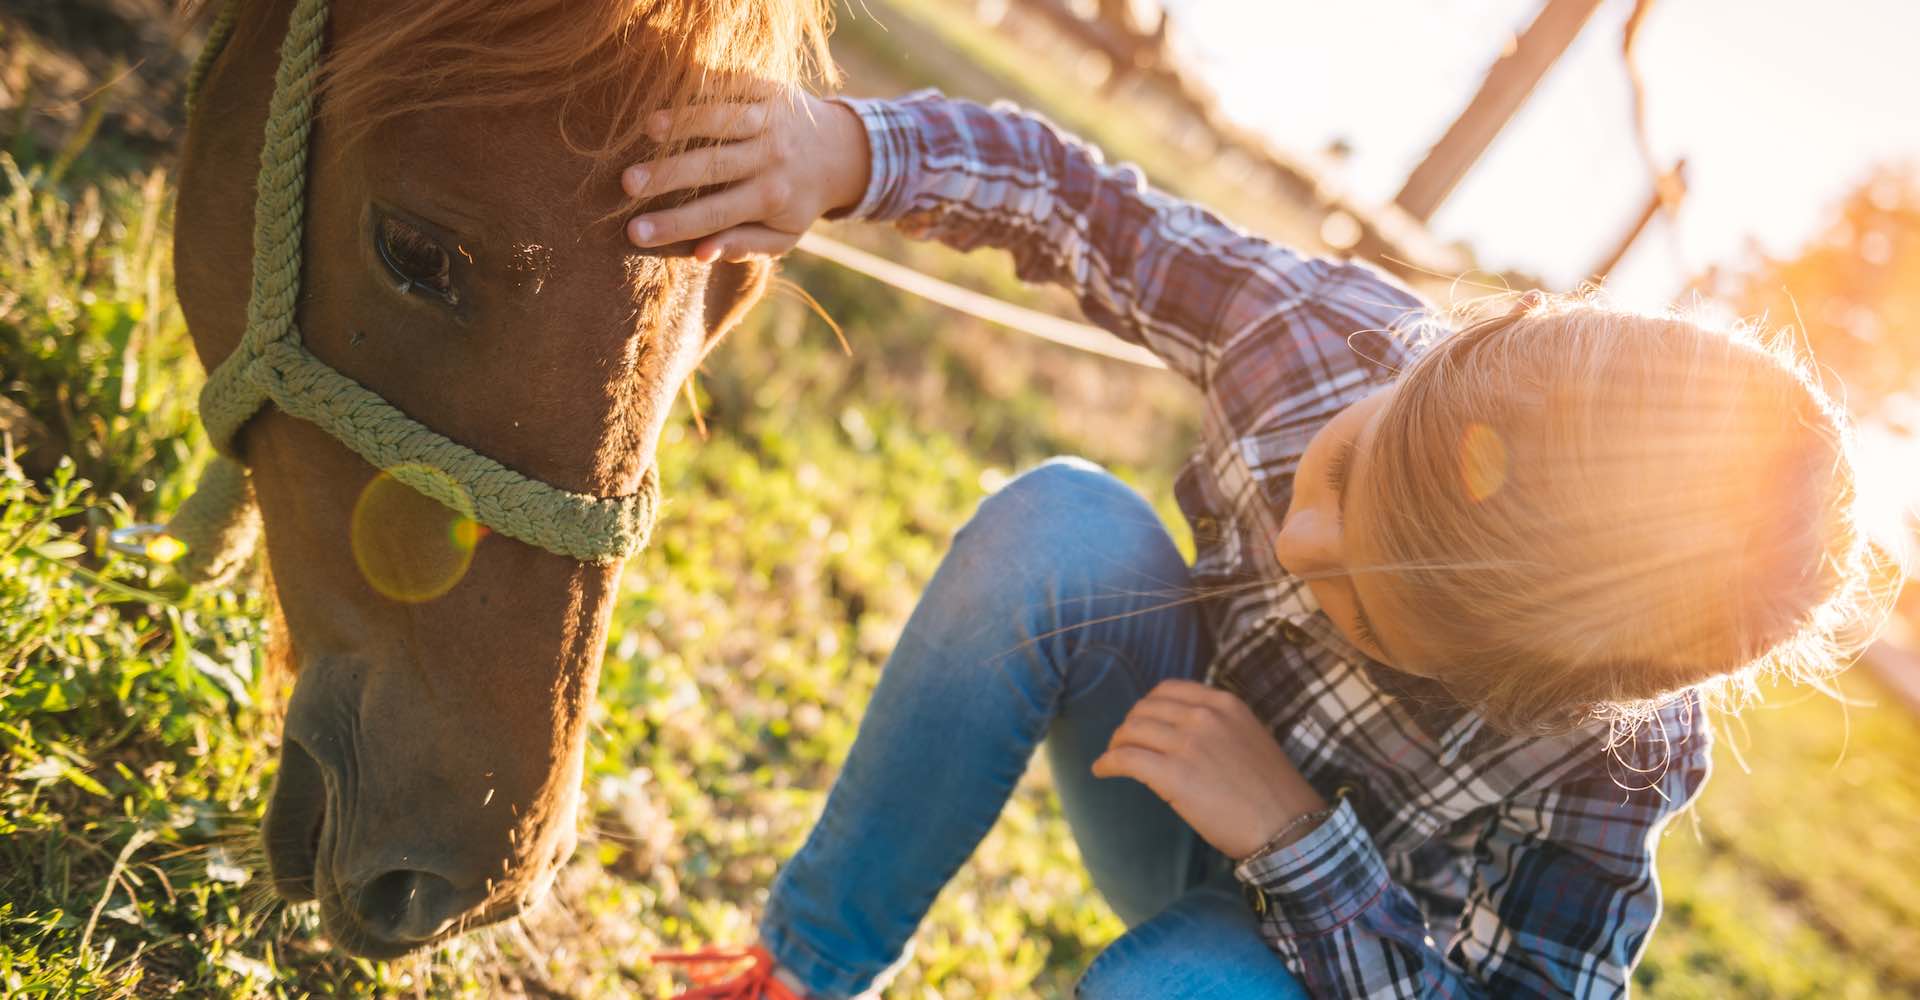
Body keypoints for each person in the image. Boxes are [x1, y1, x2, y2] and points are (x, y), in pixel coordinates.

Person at [620, 90, 1887, 998]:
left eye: (1366, 610)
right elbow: (1079, 207)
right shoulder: (1322, 334)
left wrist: (1298, 843)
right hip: (1152, 746)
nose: (1296, 536)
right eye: (1343, 464)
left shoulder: (1613, 765)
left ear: (1525, 688)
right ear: (1438, 360)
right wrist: (845, 151)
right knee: (1062, 525)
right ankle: (798, 970)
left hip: (1294, 956)